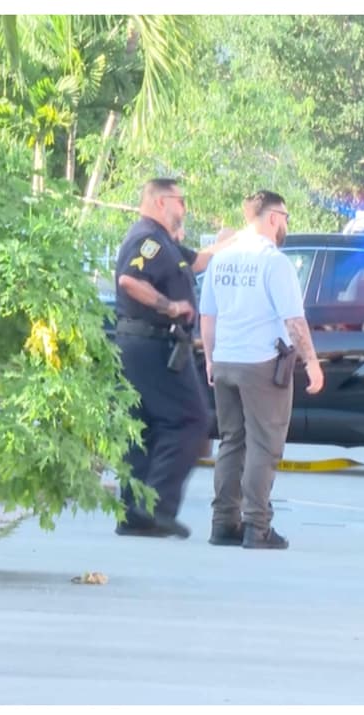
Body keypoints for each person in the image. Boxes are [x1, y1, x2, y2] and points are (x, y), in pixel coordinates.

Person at [199, 191, 323, 550]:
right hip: (260, 364)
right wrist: (312, 362)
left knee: (232, 442)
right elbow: (293, 319)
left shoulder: (221, 259)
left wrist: (210, 359)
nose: (285, 224)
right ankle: (257, 527)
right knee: (263, 446)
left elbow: (209, 316)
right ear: (272, 217)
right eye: (284, 216)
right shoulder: (274, 262)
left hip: (225, 361)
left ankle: (223, 523)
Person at [112, 178, 231, 538]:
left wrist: (237, 237)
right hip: (150, 344)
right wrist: (170, 305)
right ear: (162, 202)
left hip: (146, 344)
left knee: (145, 426)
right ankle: (158, 508)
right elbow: (130, 281)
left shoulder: (164, 243)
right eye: (181, 201)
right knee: (191, 420)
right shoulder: (147, 239)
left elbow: (200, 261)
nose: (185, 209)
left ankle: (135, 515)